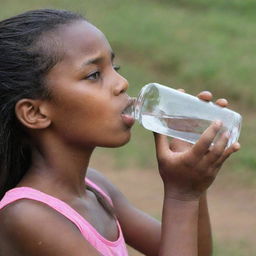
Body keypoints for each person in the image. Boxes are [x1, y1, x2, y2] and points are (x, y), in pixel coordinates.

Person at [0, 9, 240, 256]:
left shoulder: (95, 188)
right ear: (35, 113)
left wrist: (194, 187)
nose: (122, 83)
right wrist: (182, 196)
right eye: (94, 75)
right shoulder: (29, 217)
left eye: (115, 67)